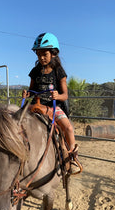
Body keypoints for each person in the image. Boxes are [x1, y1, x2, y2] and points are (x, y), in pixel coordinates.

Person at [22, 32, 82, 174]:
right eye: (38, 54)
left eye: (45, 54)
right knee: (17, 121)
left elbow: (65, 95)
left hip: (53, 108)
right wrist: (27, 94)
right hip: (36, 106)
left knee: (68, 128)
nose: (41, 57)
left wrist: (58, 95)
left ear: (53, 53)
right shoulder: (35, 71)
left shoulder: (58, 71)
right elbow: (31, 89)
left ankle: (73, 157)